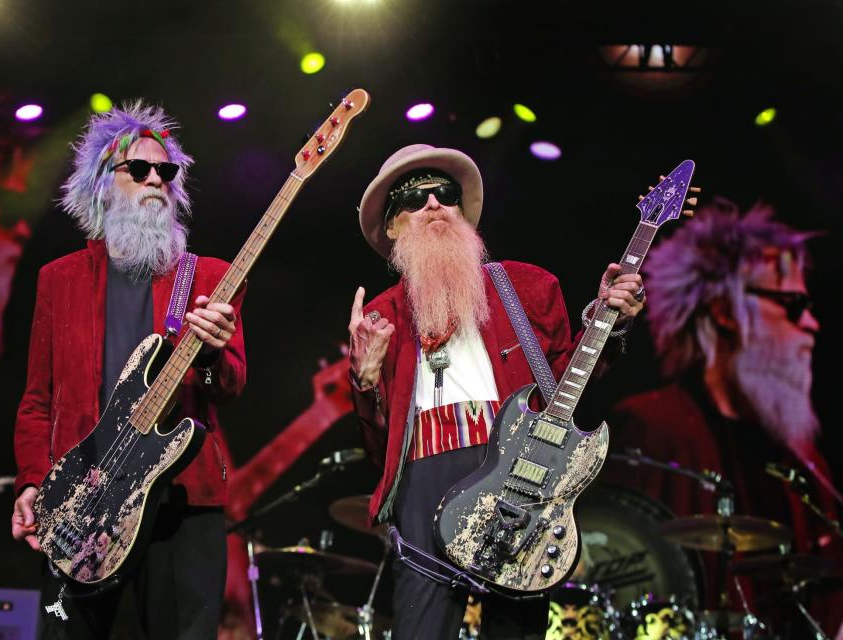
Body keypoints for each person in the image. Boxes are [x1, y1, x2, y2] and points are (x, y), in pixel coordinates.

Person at [347, 144, 645, 639]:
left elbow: (563, 388)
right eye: (413, 199)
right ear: (394, 227)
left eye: (444, 193)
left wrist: (606, 322)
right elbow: (379, 451)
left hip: (516, 470)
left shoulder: (527, 286)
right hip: (425, 476)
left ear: (463, 214)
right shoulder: (379, 316)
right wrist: (364, 381)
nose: (433, 205)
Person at [9, 102, 246, 639]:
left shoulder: (208, 277)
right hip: (85, 507)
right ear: (102, 184)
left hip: (181, 505)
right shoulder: (59, 280)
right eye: (138, 170)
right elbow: (37, 400)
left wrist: (210, 353)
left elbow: (230, 385)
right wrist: (30, 482)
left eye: (166, 171)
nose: (155, 180)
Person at [601, 199, 841, 637]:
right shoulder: (654, 429)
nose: (812, 324)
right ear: (726, 311)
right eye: (792, 302)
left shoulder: (805, 464)